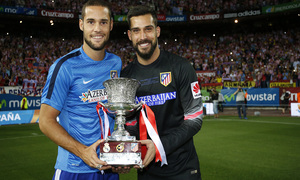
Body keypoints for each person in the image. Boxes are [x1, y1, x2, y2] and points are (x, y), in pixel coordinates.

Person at [39, 1, 123, 179]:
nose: (97, 29)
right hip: (74, 168)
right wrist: (83, 152)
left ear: (111, 25)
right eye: (91, 21)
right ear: (81, 24)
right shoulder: (64, 67)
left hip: (108, 167)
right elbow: (45, 121)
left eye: (103, 22)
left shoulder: (116, 63)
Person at [121, 5, 203, 180]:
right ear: (130, 35)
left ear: (157, 31)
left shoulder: (181, 67)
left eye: (148, 29)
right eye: (136, 31)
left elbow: (195, 119)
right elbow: (127, 123)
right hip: (147, 170)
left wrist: (159, 146)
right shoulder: (126, 77)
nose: (143, 37)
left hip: (183, 170)